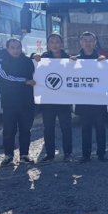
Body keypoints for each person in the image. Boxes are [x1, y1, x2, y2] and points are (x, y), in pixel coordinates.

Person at [32, 34, 73, 162]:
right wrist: (34, 56)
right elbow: (33, 69)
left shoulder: (68, 59)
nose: (55, 44)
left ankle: (68, 153)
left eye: (57, 42)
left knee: (66, 128)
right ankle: (49, 154)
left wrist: (75, 62)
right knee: (48, 128)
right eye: (52, 42)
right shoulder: (42, 59)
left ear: (62, 44)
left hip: (64, 100)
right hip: (47, 100)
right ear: (48, 45)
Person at [0, 38, 36, 167]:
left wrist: (37, 57)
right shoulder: (1, 62)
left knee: (26, 130)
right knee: (9, 131)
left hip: (27, 102)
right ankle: (8, 156)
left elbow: (37, 74)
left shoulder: (28, 61)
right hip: (9, 103)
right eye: (13, 48)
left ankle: (24, 155)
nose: (16, 50)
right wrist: (24, 81)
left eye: (18, 47)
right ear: (7, 48)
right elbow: (5, 78)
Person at [70, 31, 108, 163]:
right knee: (85, 128)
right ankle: (85, 154)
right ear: (81, 43)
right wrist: (70, 63)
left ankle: (101, 153)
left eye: (90, 41)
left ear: (95, 43)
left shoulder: (101, 59)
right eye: (85, 40)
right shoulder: (75, 60)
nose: (88, 43)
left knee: (100, 128)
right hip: (83, 100)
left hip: (98, 99)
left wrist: (105, 61)